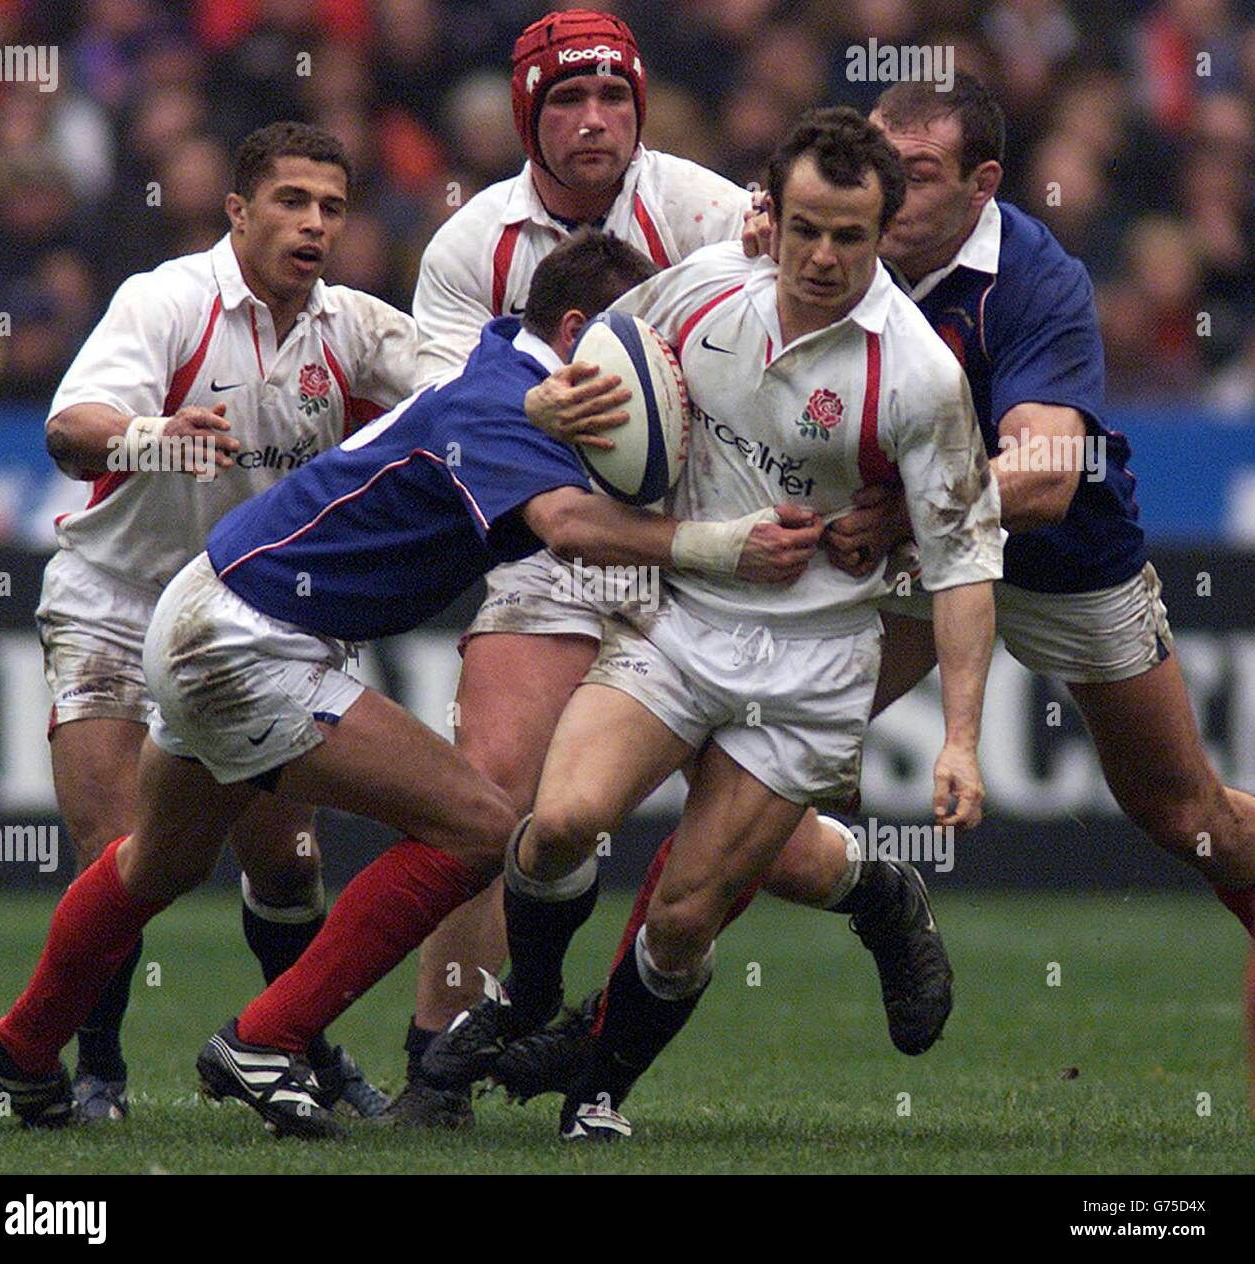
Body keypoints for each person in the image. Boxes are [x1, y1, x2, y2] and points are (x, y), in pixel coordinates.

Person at [0, 230, 822, 1138]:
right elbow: (568, 527)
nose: (668, 376)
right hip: (247, 638)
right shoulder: (501, 403)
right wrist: (729, 547)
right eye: (650, 345)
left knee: (158, 862)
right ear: (581, 331)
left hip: (213, 607)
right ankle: (266, 1038)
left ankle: (19, 1046)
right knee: (482, 827)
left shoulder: (503, 371)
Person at [503, 74, 1255, 1103]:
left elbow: (1043, 472)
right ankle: (606, 1031)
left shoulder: (1032, 279)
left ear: (982, 185)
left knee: (1183, 816)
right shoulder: (825, 242)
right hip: (899, 575)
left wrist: (911, 504)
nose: (886, 202)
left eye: (919, 177)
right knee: (750, 781)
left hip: (1059, 564)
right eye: (880, 174)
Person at [392, 6, 955, 1129]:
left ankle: (864, 885)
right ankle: (435, 1060)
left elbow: (849, 329)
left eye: (614, 98)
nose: (595, 120)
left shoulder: (706, 207)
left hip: (720, 551)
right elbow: (467, 421)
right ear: (525, 115)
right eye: (566, 99)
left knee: (725, 857)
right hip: (565, 537)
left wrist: (886, 498)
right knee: (503, 791)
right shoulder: (467, 248)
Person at [19, 120, 417, 1122]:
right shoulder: (166, 300)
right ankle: (97, 1074)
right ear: (238, 211)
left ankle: (299, 1050)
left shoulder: (358, 331)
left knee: (287, 858)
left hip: (248, 627)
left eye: (332, 205)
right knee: (123, 853)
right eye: (291, 200)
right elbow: (70, 429)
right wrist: (152, 436)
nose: (314, 223)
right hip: (115, 603)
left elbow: (468, 404)